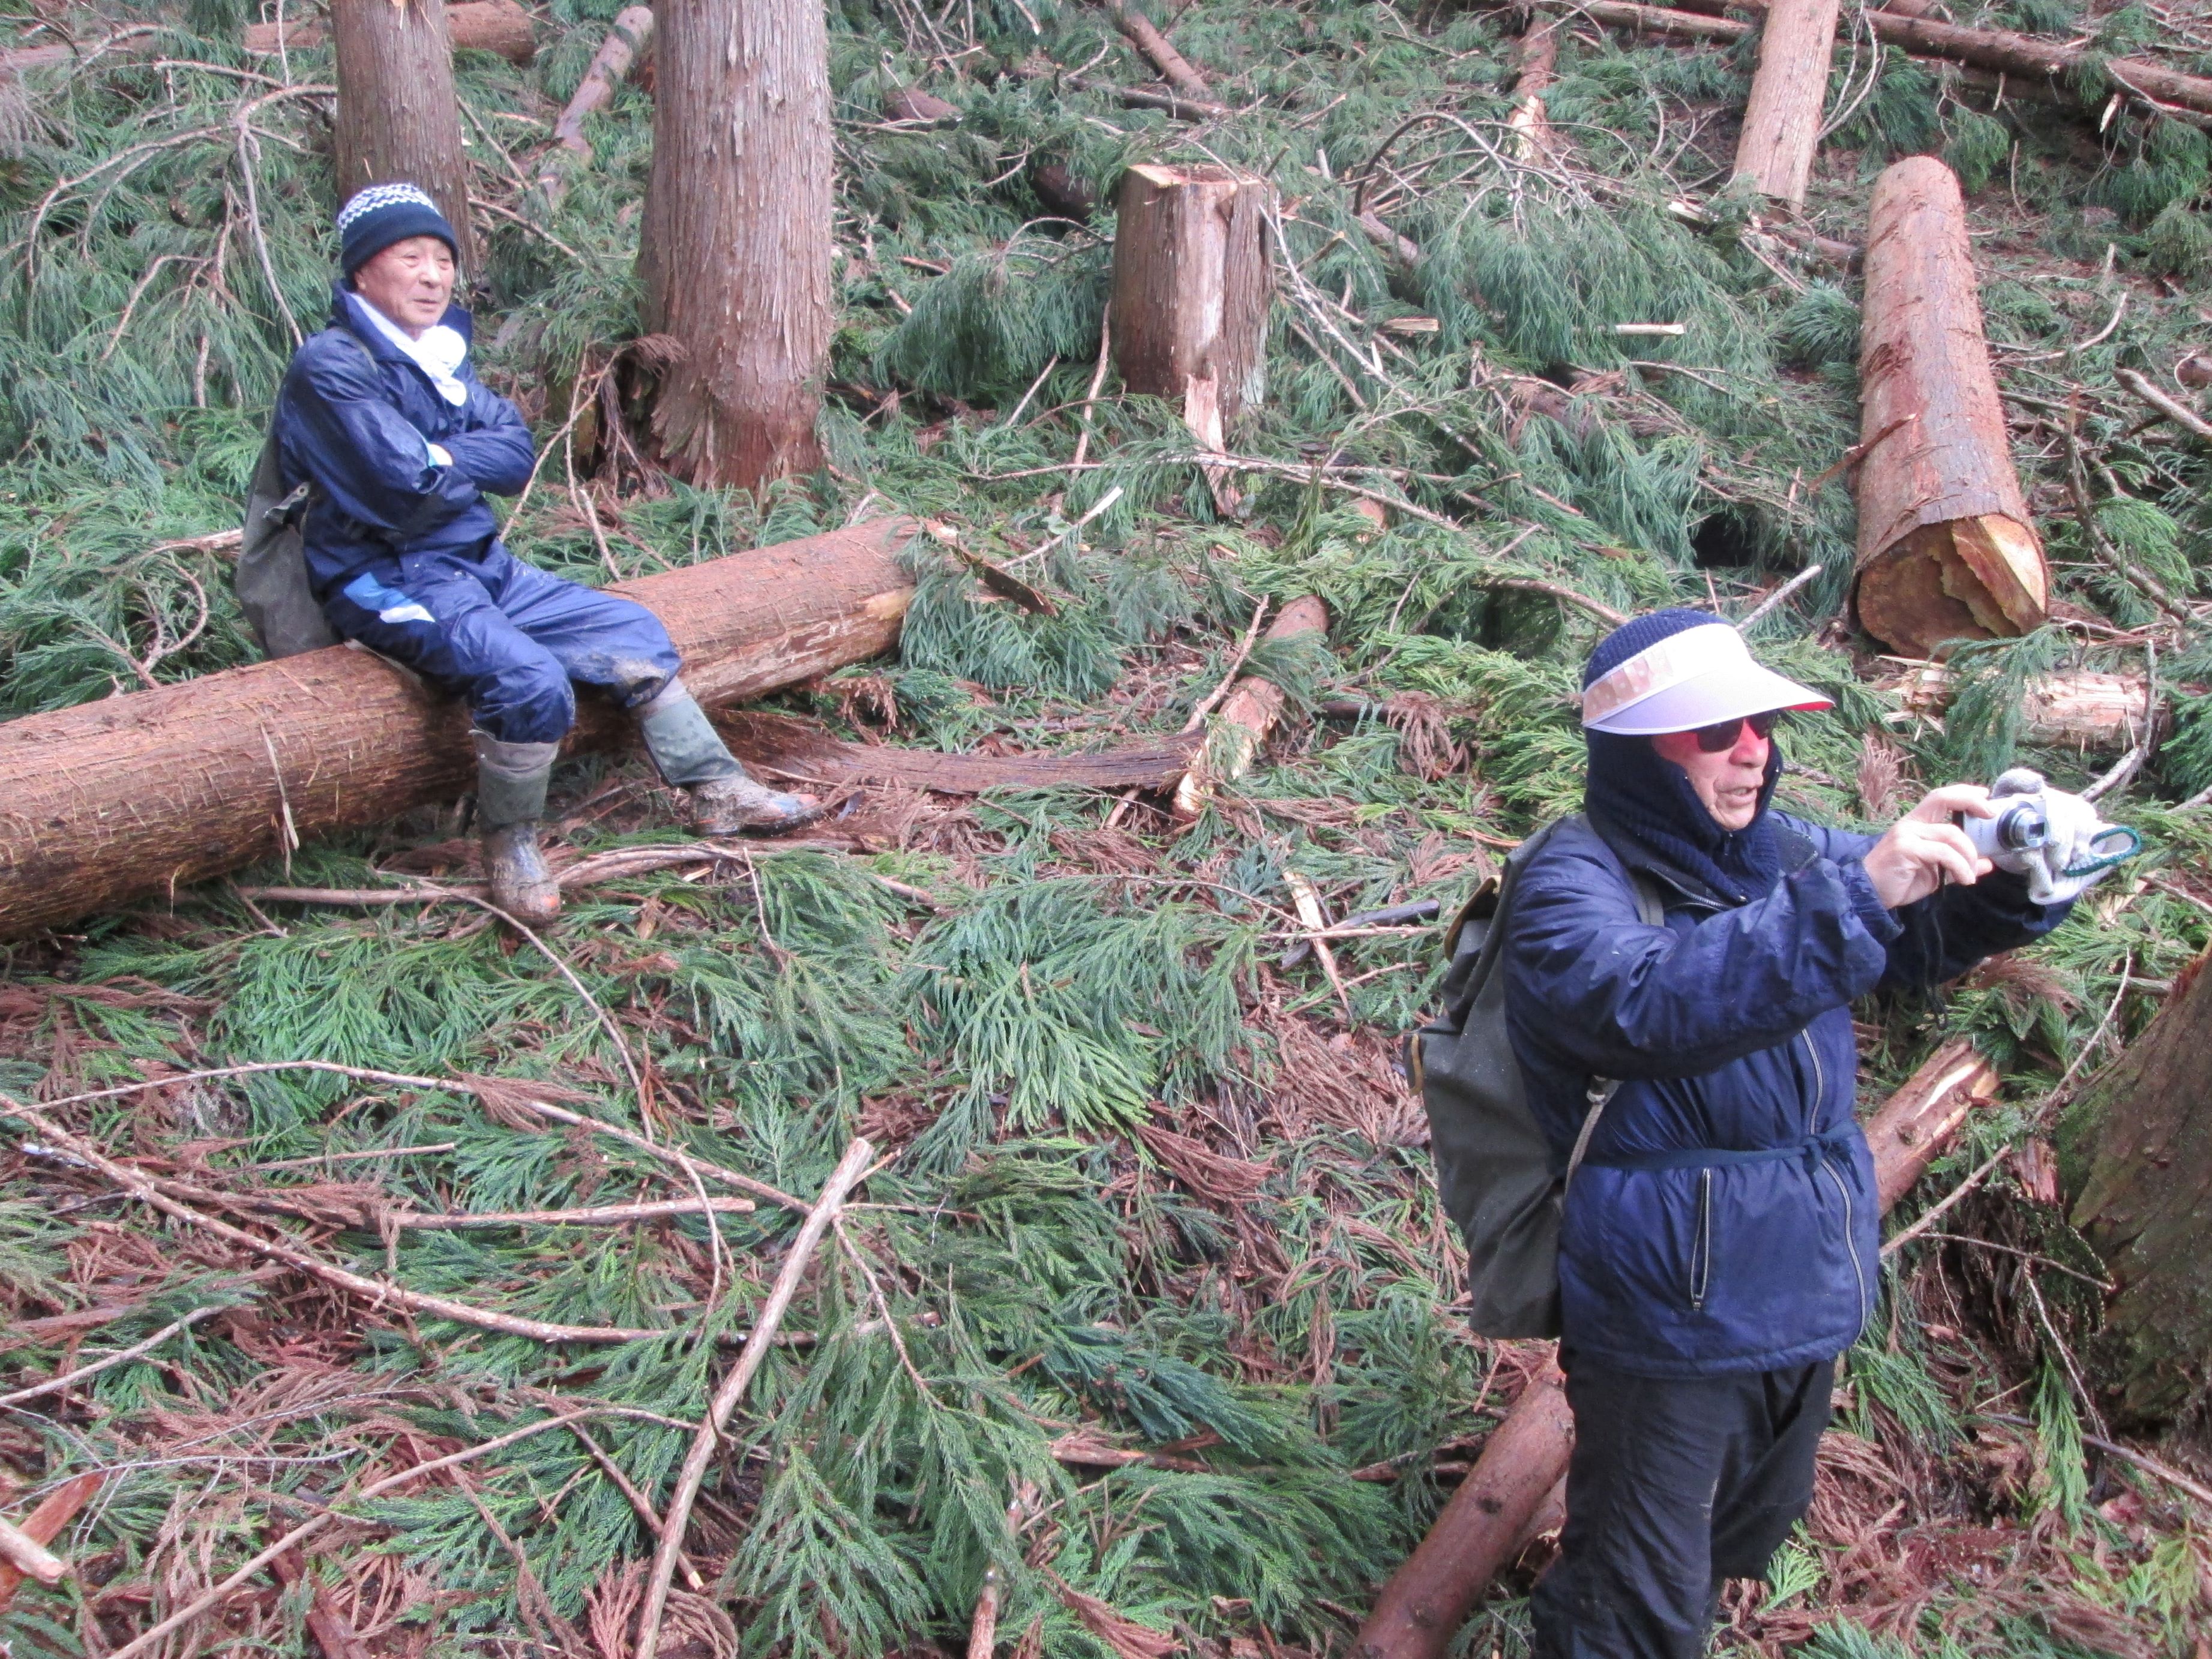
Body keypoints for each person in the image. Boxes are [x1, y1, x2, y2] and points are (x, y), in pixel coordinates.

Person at [1504, 608, 2109, 1658]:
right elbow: (1645, 1001)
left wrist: (2018, 880)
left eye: (1762, 726)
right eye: (1714, 732)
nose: (1752, 751)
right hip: (1668, 1309)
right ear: (1634, 754)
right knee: (1627, 1607)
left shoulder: (1776, 851)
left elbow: (1911, 938)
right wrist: (1860, 891)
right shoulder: (1570, 879)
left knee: (1719, 1547)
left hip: (1795, 1286)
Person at [272, 183, 820, 923]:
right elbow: (401, 486)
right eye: (411, 257)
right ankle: (510, 843)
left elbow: (514, 454)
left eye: (443, 259)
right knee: (529, 681)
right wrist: (443, 460)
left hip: (477, 563)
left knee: (632, 634)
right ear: (364, 271)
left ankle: (715, 789)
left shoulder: (439, 357)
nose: (434, 275)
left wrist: (440, 455)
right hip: (384, 573)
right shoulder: (332, 366)